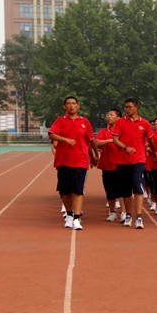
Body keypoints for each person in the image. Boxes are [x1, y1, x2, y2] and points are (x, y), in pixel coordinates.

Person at [47, 96, 96, 230]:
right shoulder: (60, 121)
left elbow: (91, 140)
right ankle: (69, 214)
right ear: (64, 107)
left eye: (73, 103)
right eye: (68, 104)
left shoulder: (84, 121)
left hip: (80, 160)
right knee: (65, 192)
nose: (71, 106)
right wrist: (65, 140)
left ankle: (76, 218)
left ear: (78, 106)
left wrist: (95, 156)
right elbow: (51, 134)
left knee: (78, 191)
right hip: (63, 161)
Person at [110, 97, 156, 230]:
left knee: (137, 185)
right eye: (125, 107)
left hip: (138, 160)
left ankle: (139, 216)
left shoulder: (145, 123)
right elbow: (115, 139)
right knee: (125, 190)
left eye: (129, 107)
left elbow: (151, 140)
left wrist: (154, 153)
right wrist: (125, 148)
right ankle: (128, 215)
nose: (127, 109)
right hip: (122, 160)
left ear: (136, 107)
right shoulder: (120, 122)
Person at [93, 108, 126, 222]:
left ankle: (124, 212)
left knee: (122, 190)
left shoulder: (123, 131)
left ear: (118, 118)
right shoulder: (104, 131)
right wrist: (111, 140)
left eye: (111, 115)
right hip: (107, 165)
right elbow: (96, 143)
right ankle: (112, 212)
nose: (108, 117)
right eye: (108, 115)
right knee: (110, 191)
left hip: (121, 165)